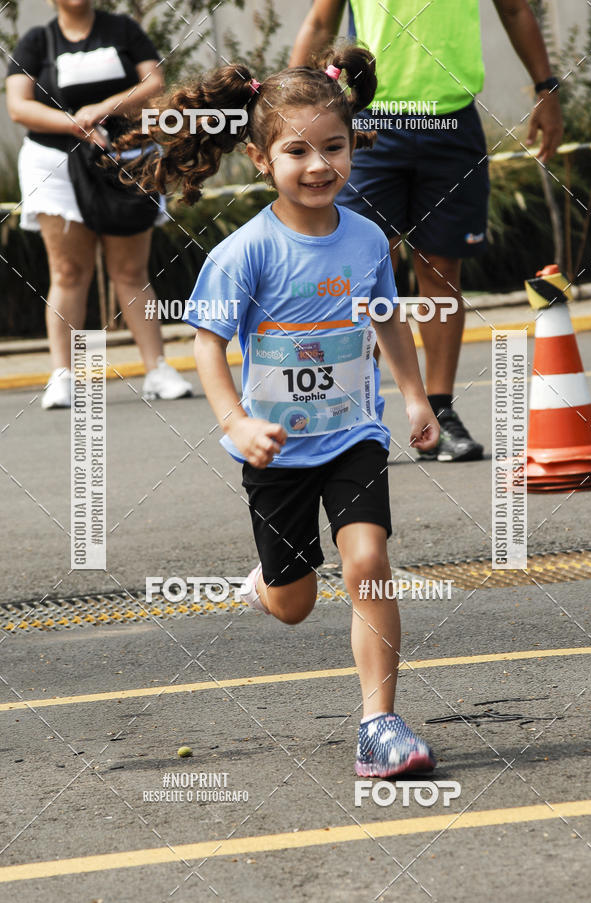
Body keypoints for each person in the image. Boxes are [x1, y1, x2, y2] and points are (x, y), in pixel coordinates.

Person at [118, 46, 440, 777]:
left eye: (335, 146)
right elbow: (207, 344)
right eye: (298, 151)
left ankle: (379, 724)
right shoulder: (245, 252)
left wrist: (415, 395)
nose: (319, 165)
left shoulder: (367, 238)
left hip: (354, 435)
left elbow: (387, 318)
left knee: (368, 563)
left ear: (353, 145)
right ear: (262, 159)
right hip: (277, 450)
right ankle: (266, 581)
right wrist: (235, 422)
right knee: (293, 603)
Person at [291, 0, 564, 461]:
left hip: (451, 121)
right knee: (361, 273)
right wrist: (286, 109)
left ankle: (439, 413)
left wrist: (546, 88)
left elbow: (516, 10)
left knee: (441, 269)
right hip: (371, 117)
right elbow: (320, 22)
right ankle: (348, 418)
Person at [5, 0, 192, 408]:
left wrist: (102, 110)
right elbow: (19, 106)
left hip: (125, 158)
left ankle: (158, 369)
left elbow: (153, 83)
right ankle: (64, 375)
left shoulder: (123, 29)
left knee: (130, 270)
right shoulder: (37, 40)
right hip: (53, 164)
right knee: (68, 271)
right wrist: (75, 124)